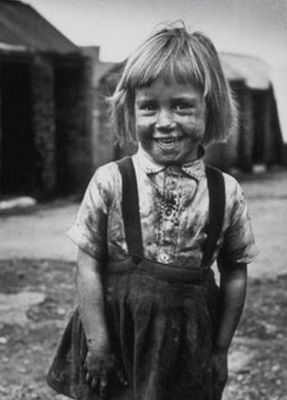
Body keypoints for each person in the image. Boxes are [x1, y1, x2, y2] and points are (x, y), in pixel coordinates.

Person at [47, 23, 258, 400]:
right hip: (116, 338)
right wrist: (98, 344)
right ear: (131, 110)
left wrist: (220, 349)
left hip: (184, 346)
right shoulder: (110, 181)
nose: (164, 121)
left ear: (210, 110)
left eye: (181, 105)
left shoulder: (227, 193)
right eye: (149, 106)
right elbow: (88, 264)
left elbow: (235, 272)